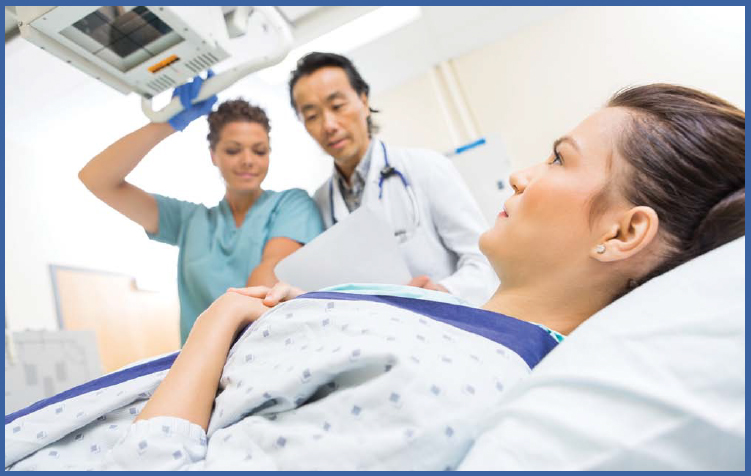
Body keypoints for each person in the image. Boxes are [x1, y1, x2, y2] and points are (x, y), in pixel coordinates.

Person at [22, 84, 742, 470]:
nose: (520, 174)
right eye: (308, 112)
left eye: (557, 158)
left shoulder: (449, 385)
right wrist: (367, 306)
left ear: (623, 232)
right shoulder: (428, 334)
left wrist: (222, 322)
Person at [78, 74, 324, 344]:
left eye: (259, 150)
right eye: (233, 150)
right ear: (213, 155)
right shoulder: (189, 221)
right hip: (198, 361)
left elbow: (267, 283)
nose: (248, 161)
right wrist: (166, 123)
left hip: (260, 349)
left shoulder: (291, 204)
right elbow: (97, 180)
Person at [288, 52, 498, 306]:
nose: (328, 124)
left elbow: (484, 260)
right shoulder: (318, 203)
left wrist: (443, 292)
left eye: (337, 106)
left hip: (450, 321)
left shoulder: (425, 167)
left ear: (363, 101)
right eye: (311, 116)